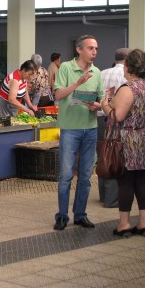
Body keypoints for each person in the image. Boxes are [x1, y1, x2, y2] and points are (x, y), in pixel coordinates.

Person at [100, 49, 145, 237]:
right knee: (142, 180)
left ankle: (124, 224)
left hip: (128, 142)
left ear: (128, 67)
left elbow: (118, 116)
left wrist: (104, 105)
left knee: (125, 182)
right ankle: (144, 221)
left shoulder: (128, 88)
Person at [53, 35, 104, 231]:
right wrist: (78, 83)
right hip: (70, 129)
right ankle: (62, 216)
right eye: (91, 48)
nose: (94, 52)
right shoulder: (66, 67)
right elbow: (58, 95)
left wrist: (96, 106)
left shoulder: (97, 72)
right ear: (79, 50)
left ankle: (80, 214)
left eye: (96, 49)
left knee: (85, 175)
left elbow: (101, 100)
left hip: (90, 128)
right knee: (66, 174)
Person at [97, 48, 131, 208]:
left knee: (103, 155)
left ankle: (103, 195)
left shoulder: (101, 73)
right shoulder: (125, 76)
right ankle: (112, 198)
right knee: (115, 156)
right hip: (115, 119)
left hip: (98, 119)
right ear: (127, 59)